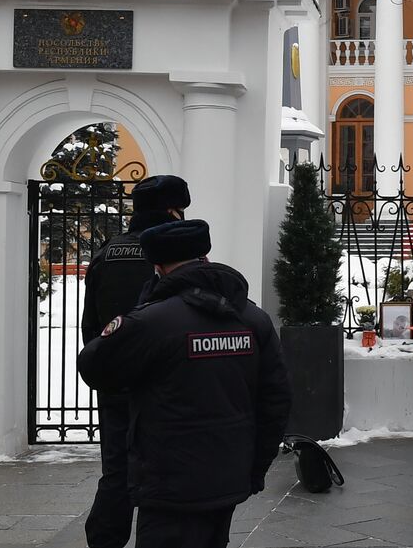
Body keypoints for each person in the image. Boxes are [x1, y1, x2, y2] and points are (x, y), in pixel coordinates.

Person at [77, 220, 291, 548]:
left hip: (168, 484)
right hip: (228, 478)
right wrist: (254, 467)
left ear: (158, 267)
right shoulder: (252, 319)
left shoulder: (152, 322)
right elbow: (276, 401)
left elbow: (94, 366)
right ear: (203, 257)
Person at [79, 173, 190, 548]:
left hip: (115, 385)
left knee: (116, 473)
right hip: (166, 388)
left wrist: (108, 369)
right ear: (173, 211)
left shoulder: (106, 253)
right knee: (169, 473)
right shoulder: (175, 253)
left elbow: (90, 325)